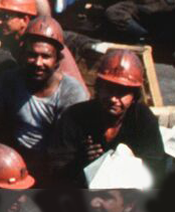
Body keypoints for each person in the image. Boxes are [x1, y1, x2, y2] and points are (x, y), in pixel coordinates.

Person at [0, 16, 88, 185]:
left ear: (57, 60)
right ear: (22, 55)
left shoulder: (71, 93)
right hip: (11, 155)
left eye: (46, 56)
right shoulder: (9, 80)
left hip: (49, 163)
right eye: (32, 55)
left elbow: (63, 150)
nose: (38, 63)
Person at [48, 49, 166, 189]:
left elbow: (156, 168)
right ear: (98, 88)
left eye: (122, 92)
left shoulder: (142, 119)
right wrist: (81, 161)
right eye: (109, 89)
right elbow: (56, 168)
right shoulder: (74, 117)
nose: (113, 99)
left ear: (134, 96)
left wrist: (122, 164)